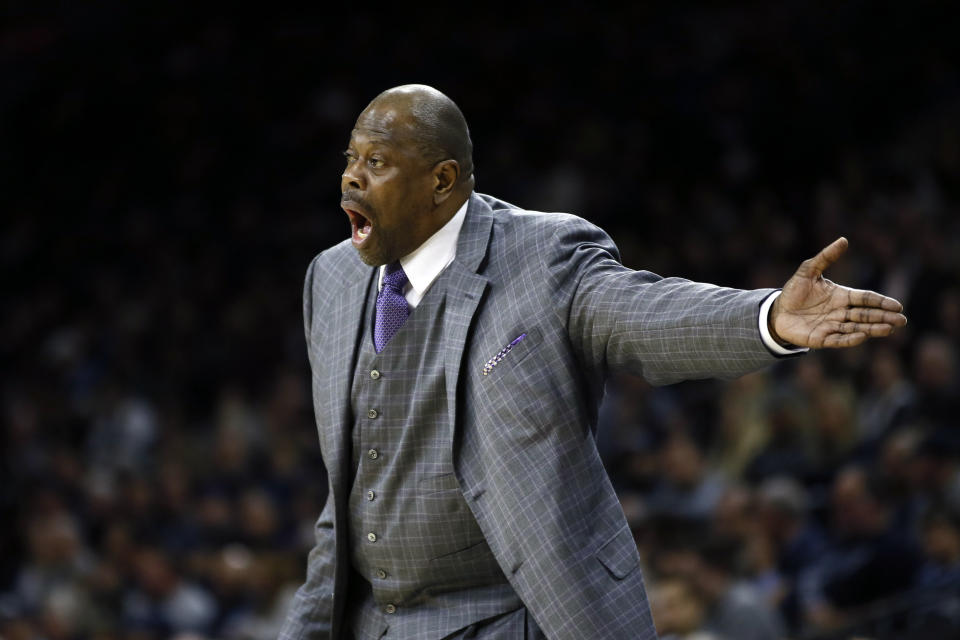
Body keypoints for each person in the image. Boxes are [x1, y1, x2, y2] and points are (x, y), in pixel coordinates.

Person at [279, 84, 907, 639]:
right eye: (352, 160)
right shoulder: (329, 280)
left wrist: (767, 316)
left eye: (378, 162)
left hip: (510, 615)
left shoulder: (541, 255)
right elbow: (349, 498)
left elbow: (646, 314)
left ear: (442, 181)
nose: (351, 178)